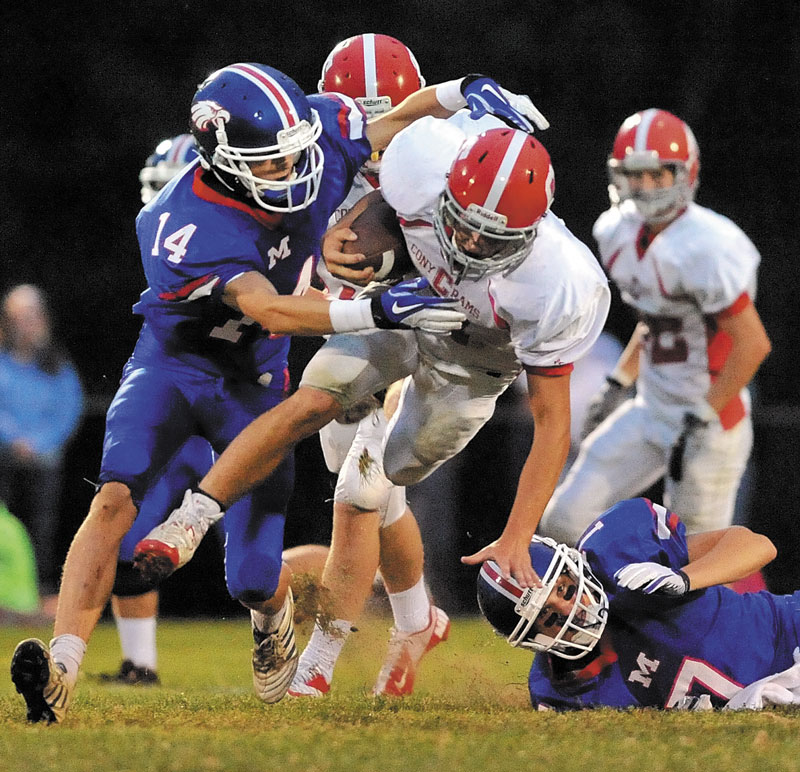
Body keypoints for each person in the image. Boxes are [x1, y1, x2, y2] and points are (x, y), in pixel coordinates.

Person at [10, 60, 540, 724]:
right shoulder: (182, 224)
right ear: (224, 162)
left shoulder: (313, 134)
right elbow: (273, 312)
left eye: (295, 154)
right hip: (178, 365)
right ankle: (61, 668)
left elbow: (392, 123)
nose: (292, 172)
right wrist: (379, 312)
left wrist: (459, 92)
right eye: (270, 163)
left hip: (257, 382)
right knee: (115, 497)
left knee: (255, 578)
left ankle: (273, 620)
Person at [135, 113, 611, 619]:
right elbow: (382, 200)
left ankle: (394, 405)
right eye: (463, 224)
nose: (469, 244)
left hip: (474, 363)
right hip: (403, 310)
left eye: (490, 239)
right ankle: (190, 519)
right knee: (313, 398)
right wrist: (339, 231)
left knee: (395, 466)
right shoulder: (421, 158)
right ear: (445, 187)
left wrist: (518, 535)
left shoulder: (561, 285)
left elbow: (552, 423)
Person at [288, 33, 449, 699]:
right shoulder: (316, 174)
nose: (376, 137)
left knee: (361, 491)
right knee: (380, 506)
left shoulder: (441, 168)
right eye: (361, 118)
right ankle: (418, 621)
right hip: (356, 342)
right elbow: (296, 275)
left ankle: (318, 663)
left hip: (428, 339)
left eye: (389, 118)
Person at [538, 109, 772, 546]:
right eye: (635, 175)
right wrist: (618, 380)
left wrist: (702, 416)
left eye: (656, 175)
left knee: (695, 560)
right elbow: (655, 322)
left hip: (712, 417)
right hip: (652, 407)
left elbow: (753, 344)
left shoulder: (709, 245)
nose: (644, 187)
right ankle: (599, 610)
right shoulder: (616, 233)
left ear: (685, 173)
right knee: (564, 522)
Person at [474, 496, 800, 711]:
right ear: (532, 639)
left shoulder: (616, 550)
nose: (567, 610)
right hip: (758, 698)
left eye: (564, 589)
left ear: (572, 566)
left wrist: (685, 578)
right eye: (546, 616)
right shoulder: (558, 690)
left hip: (790, 634)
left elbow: (757, 545)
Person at [0, 284, 84, 596]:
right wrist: (15, 440)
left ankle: (37, 593)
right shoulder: (2, 363)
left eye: (32, 315)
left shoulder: (57, 366)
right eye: (19, 316)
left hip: (44, 460)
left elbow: (68, 411)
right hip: (5, 457)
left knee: (42, 529)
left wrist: (38, 442)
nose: (27, 322)